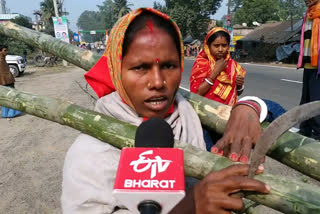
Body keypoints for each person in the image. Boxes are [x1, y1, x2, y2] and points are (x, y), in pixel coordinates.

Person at [61, 8, 269, 213]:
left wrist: (247, 107)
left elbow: (275, 110)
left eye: (169, 66)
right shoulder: (90, 153)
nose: (158, 82)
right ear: (117, 69)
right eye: (141, 67)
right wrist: (187, 208)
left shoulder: (190, 118)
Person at [190, 27, 245, 106]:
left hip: (227, 113)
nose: (220, 49)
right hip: (205, 112)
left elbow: (237, 92)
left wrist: (240, 85)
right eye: (216, 46)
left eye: (224, 45)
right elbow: (196, 93)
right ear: (208, 46)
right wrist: (215, 72)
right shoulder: (202, 63)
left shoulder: (233, 66)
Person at [297, 0, 320, 140]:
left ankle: (317, 135)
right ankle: (305, 131)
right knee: (306, 100)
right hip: (308, 64)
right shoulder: (309, 14)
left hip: (318, 66)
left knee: (315, 102)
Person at [0, 45, 21, 120]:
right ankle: (9, 114)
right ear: (0, 51)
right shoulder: (0, 60)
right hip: (5, 83)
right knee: (9, 97)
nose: (6, 52)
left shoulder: (3, 59)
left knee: (8, 97)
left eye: (7, 50)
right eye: (5, 50)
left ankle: (8, 114)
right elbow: (3, 73)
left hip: (7, 82)